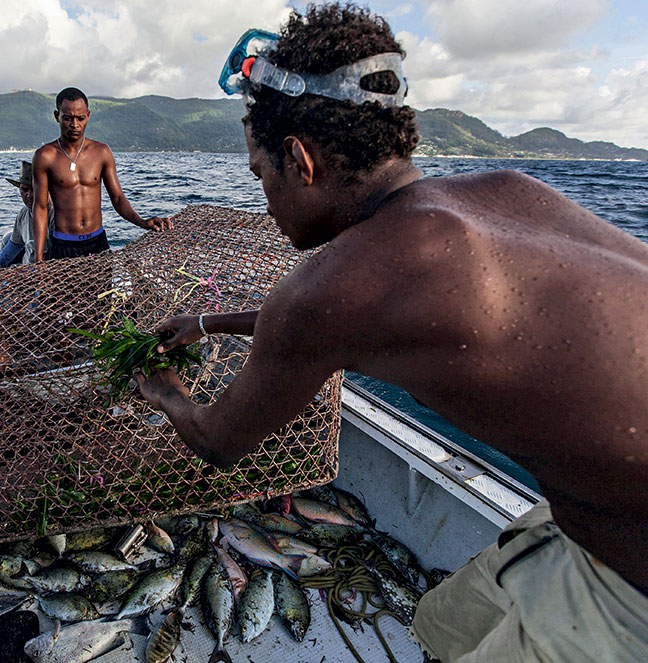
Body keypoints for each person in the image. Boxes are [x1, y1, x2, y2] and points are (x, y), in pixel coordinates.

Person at [135, 4, 648, 661]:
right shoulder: (507, 192)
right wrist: (207, 320)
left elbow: (218, 440)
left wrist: (165, 390)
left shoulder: (331, 285)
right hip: (586, 522)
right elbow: (346, 316)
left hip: (630, 596)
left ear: (300, 159)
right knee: (441, 626)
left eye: (262, 176)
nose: (264, 198)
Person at [31, 87, 171, 261]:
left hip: (97, 243)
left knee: (104, 289)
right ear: (56, 116)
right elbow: (40, 207)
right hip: (63, 245)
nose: (75, 125)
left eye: (80, 118)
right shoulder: (45, 156)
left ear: (88, 116)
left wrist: (142, 222)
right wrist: (38, 257)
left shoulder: (101, 152)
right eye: (67, 118)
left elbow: (118, 198)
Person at [0, 160, 53, 268]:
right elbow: (14, 245)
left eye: (34, 189)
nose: (29, 195)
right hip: (26, 272)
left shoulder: (58, 214)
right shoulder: (23, 214)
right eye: (24, 189)